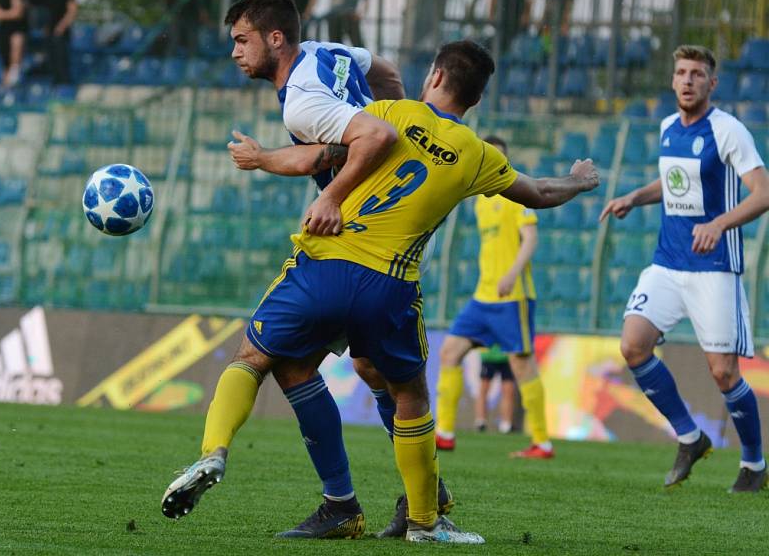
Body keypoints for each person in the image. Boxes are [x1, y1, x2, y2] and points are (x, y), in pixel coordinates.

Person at [163, 36, 600, 541]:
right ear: (476, 99)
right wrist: (580, 180)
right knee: (409, 394)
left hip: (324, 262)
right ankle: (422, 522)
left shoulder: (388, 112)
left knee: (254, 359)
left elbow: (314, 158)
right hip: (389, 284)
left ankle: (215, 450)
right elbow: (540, 193)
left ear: (434, 76)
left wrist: (261, 157)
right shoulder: (477, 154)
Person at [218, 0, 458, 540]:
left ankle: (363, 506)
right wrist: (402, 117)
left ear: (275, 38)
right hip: (379, 229)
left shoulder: (302, 99)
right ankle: (409, 500)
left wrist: (331, 193)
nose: (235, 52)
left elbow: (372, 134)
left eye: (242, 40)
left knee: (284, 358)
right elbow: (389, 75)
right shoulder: (328, 53)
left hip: (352, 236)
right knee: (374, 370)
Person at [599, 45, 769, 493]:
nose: (688, 80)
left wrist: (719, 223)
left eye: (697, 73)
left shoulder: (728, 131)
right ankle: (690, 438)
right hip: (668, 263)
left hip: (714, 267)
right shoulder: (668, 127)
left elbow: (762, 192)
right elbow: (676, 180)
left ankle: (754, 463)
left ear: (712, 84)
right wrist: (635, 196)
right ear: (672, 81)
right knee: (633, 346)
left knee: (723, 373)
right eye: (681, 72)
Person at [435, 135, 551, 458]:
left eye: (500, 159)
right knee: (449, 352)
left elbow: (530, 238)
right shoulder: (480, 200)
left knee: (522, 365)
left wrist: (512, 273)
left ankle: (542, 441)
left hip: (513, 297)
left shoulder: (519, 196)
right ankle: (444, 432)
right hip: (482, 297)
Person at [43, 0, 76, 85]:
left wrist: (62, 26)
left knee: (61, 60)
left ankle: (64, 86)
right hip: (50, 30)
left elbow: (72, 10)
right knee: (51, 60)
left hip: (61, 31)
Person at [474, 345, 516, 434]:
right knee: (484, 389)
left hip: (507, 356)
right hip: (489, 355)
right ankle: (480, 421)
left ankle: (506, 424)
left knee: (508, 391)